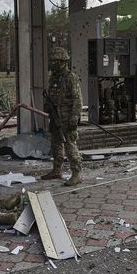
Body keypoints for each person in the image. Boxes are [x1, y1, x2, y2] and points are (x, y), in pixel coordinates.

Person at [42, 46, 83, 186]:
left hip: (67, 117)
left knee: (69, 144)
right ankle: (56, 170)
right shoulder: (53, 77)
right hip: (55, 116)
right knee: (55, 144)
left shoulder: (71, 77)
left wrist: (74, 117)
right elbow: (50, 95)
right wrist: (47, 106)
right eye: (52, 61)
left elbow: (77, 100)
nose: (53, 64)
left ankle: (76, 173)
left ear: (63, 61)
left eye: (56, 61)